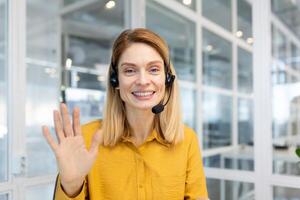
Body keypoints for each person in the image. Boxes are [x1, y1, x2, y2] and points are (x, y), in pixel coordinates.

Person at [42, 28, 209, 200]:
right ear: (115, 80)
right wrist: (71, 186)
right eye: (130, 70)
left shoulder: (187, 140)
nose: (143, 81)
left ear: (167, 79)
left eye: (153, 69)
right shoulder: (87, 140)